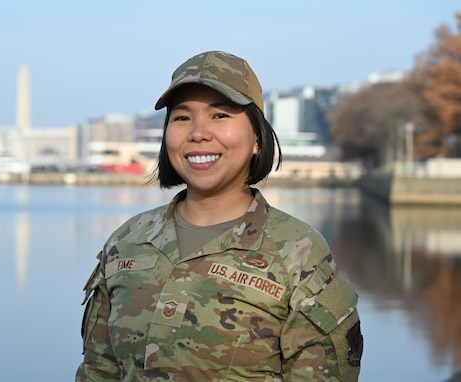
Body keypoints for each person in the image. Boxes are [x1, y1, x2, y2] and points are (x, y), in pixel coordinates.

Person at [76, 51, 363, 381]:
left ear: (257, 137)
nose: (198, 133)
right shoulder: (127, 241)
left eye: (220, 116)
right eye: (182, 118)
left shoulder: (298, 251)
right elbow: (98, 370)